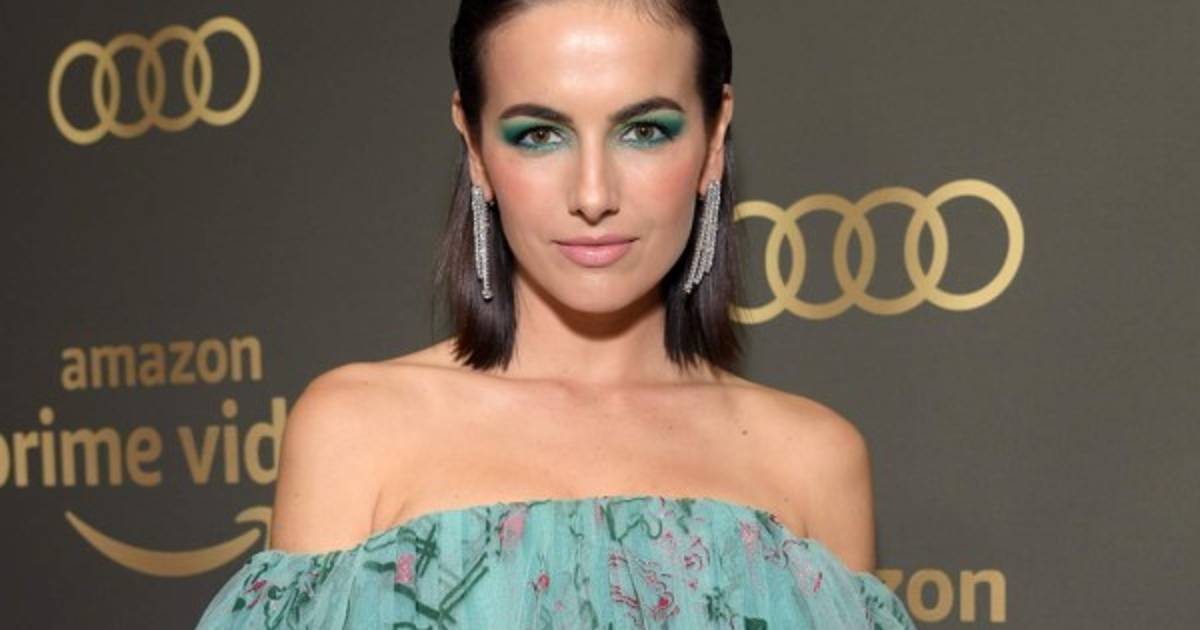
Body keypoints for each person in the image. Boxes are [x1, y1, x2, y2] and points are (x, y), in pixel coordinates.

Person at [195, 1, 918, 627]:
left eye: (645, 130)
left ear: (714, 137)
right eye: (539, 135)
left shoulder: (814, 461)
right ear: (475, 147)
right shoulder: (355, 432)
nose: (593, 194)